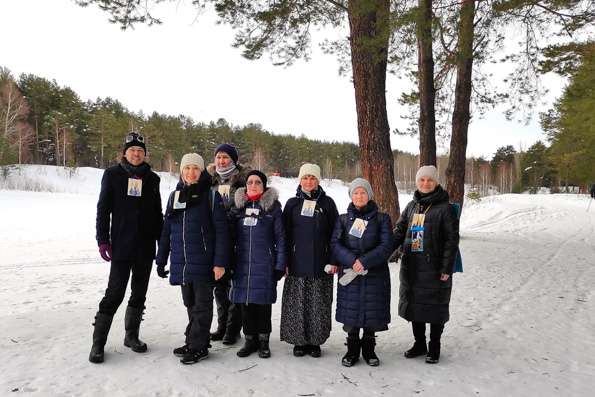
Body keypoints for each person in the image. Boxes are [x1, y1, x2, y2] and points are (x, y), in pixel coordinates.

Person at [90, 132, 163, 364]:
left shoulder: (153, 179)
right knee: (114, 294)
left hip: (145, 247)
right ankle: (98, 343)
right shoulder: (112, 175)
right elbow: (103, 209)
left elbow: (157, 214)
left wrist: (163, 244)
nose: (136, 154)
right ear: (125, 152)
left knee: (139, 294)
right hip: (121, 246)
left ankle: (131, 336)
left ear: (145, 154)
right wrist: (102, 240)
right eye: (132, 150)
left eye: (140, 151)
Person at [155, 153, 230, 364]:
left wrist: (220, 263)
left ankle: (198, 347)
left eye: (195, 168)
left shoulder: (211, 196)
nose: (191, 172)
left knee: (202, 305)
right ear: (182, 172)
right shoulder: (175, 196)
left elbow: (222, 232)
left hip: (204, 261)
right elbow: (167, 230)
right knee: (189, 303)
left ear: (201, 171)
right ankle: (196, 340)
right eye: (187, 168)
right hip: (182, 262)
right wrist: (161, 259)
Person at [393, 165, 459, 364]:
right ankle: (420, 343)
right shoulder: (412, 206)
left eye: (429, 180)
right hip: (412, 266)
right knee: (415, 306)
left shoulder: (445, 208)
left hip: (434, 267)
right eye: (422, 180)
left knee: (436, 307)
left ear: (436, 182)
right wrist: (382, 250)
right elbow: (399, 229)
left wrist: (447, 268)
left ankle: (434, 346)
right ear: (417, 182)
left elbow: (451, 240)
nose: (425, 183)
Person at [331, 178, 393, 367]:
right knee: (351, 313)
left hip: (374, 273)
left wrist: (364, 261)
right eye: (356, 192)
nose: (359, 196)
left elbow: (386, 245)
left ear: (369, 195)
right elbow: (335, 243)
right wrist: (352, 260)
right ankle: (351, 350)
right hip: (350, 273)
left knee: (371, 312)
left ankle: (369, 350)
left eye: (363, 192)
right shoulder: (343, 219)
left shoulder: (382, 219)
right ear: (351, 196)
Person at [280, 163, 339, 358]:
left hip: (321, 264)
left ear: (318, 180)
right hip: (296, 263)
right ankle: (299, 341)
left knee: (318, 304)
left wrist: (333, 259)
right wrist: (285, 261)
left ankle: (315, 341)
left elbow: (335, 235)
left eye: (312, 178)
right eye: (305, 178)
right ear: (300, 180)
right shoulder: (291, 204)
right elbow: (284, 235)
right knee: (297, 303)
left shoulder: (328, 203)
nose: (308, 181)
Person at [229, 170, 287, 359]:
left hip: (264, 264)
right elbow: (229, 238)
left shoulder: (273, 208)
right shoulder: (238, 208)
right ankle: (249, 340)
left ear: (264, 186)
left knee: (263, 304)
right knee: (246, 305)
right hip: (242, 264)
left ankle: (263, 341)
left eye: (258, 182)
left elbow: (281, 238)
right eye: (250, 182)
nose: (253, 185)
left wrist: (280, 264)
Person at [207, 143, 251, 345]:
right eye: (219, 157)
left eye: (226, 157)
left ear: (233, 160)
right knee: (219, 285)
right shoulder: (209, 181)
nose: (222, 161)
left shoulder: (244, 180)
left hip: (237, 238)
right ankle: (222, 325)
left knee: (234, 285)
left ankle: (233, 329)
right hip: (215, 239)